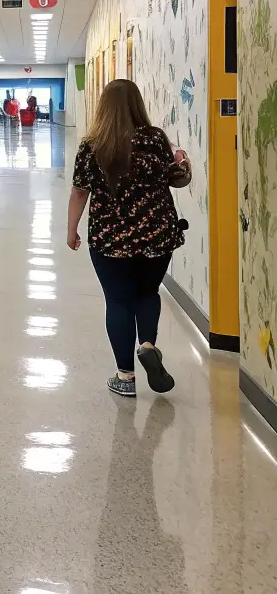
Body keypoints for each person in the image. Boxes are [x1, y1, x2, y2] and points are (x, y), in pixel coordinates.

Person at [67, 79, 191, 397]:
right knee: (148, 293)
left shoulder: (93, 144)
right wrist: (180, 159)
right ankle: (147, 345)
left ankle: (125, 377)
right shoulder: (155, 139)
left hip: (110, 236)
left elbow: (80, 191)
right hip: (157, 232)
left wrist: (71, 229)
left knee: (118, 300)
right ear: (137, 104)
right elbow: (175, 178)